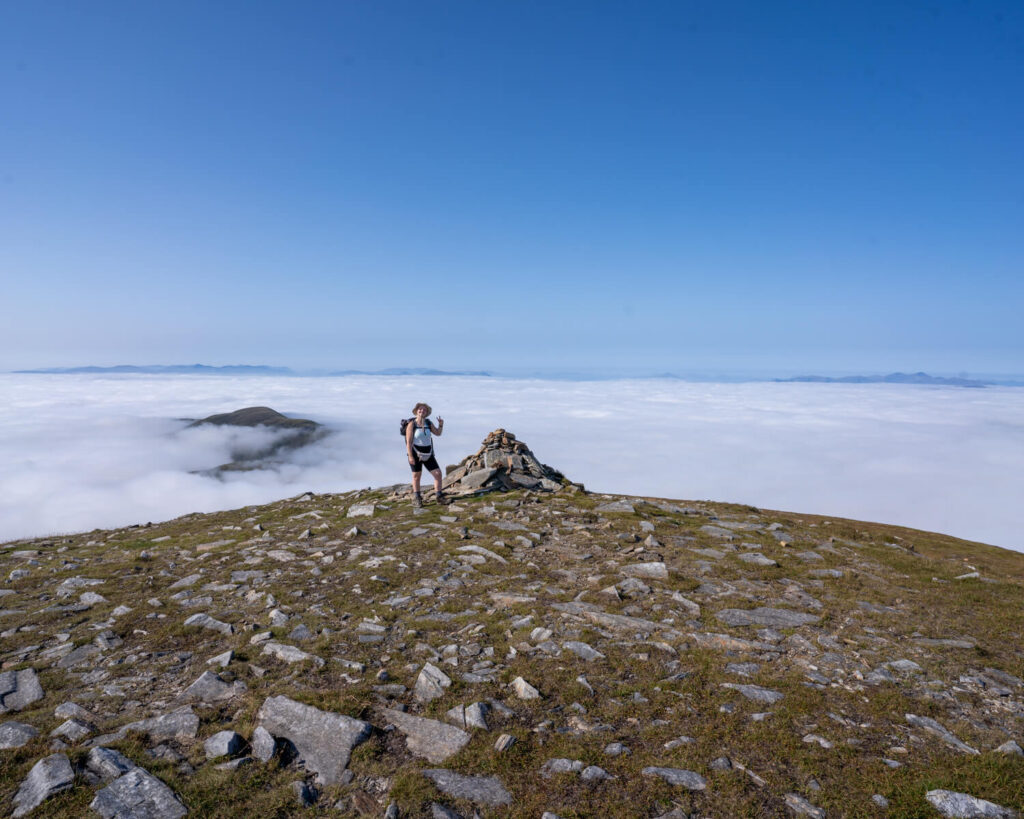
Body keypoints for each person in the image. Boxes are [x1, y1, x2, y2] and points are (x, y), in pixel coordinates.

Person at [406, 402, 445, 507]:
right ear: (416, 411)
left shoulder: (428, 423)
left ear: (427, 412)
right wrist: (410, 456)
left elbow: (438, 433)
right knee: (416, 476)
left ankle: (439, 497)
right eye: (420, 409)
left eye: (424, 410)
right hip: (415, 453)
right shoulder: (411, 424)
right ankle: (417, 498)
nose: (422, 411)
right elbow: (409, 442)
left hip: (428, 452)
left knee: (437, 473)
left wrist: (440, 424)